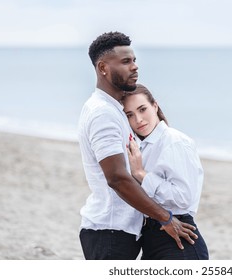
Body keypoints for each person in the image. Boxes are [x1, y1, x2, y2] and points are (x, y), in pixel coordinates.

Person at [77, 32, 197, 260]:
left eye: (134, 60)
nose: (135, 67)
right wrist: (166, 218)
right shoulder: (103, 113)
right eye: (125, 62)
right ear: (103, 68)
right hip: (109, 230)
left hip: (119, 231)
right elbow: (117, 178)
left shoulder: (114, 110)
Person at [122, 84, 209, 260]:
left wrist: (141, 174)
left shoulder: (174, 141)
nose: (138, 119)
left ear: (155, 106)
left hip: (179, 238)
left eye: (142, 109)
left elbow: (183, 197)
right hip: (153, 238)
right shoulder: (143, 148)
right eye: (129, 115)